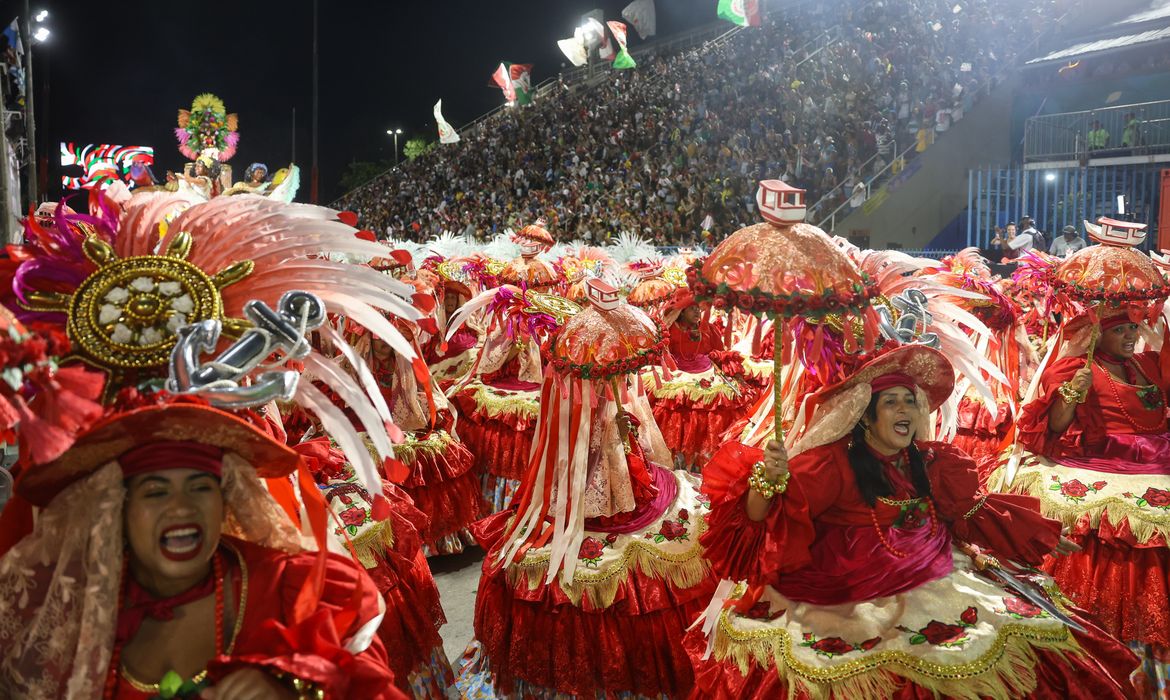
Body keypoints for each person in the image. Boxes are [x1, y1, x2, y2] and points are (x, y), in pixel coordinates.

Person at [685, 345, 1137, 698]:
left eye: (910, 401)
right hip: (846, 595)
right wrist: (768, 480)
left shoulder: (929, 461)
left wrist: (1039, 532)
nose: (905, 411)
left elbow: (970, 511)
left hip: (936, 573)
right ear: (864, 416)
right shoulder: (826, 465)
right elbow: (757, 525)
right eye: (891, 403)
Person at [0, 403, 404, 700]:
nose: (181, 507)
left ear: (226, 501)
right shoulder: (69, 619)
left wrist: (298, 689)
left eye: (201, 486)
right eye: (155, 492)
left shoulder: (300, 590)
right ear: (116, 509)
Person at [1002, 305, 1170, 695]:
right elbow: (1056, 426)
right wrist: (1072, 391)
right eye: (1120, 330)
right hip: (1101, 469)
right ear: (1097, 336)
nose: (1130, 336)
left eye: (1133, 328)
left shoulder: (1147, 363)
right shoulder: (1080, 367)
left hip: (1157, 465)